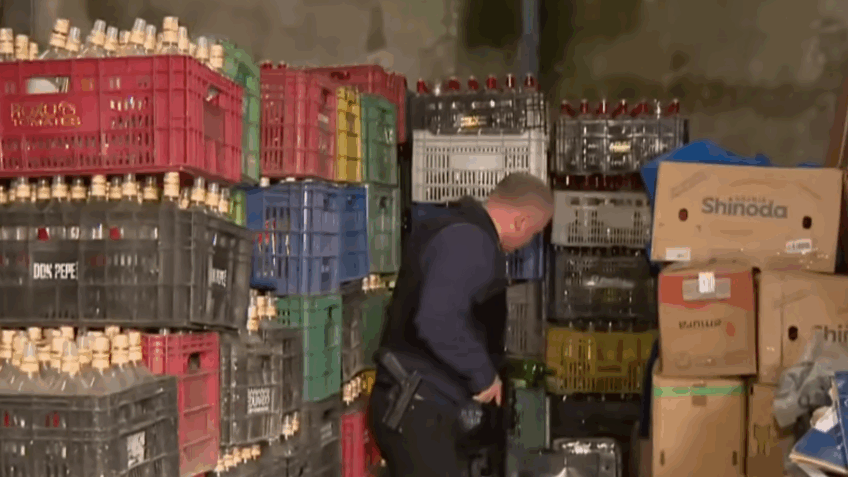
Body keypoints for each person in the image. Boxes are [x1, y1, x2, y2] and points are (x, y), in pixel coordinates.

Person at [369, 172, 554, 477]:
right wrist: (484, 375)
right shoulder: (470, 243)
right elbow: (437, 320)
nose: (528, 243)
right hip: (418, 407)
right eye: (533, 233)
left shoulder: (458, 229)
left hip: (419, 403)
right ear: (521, 222)